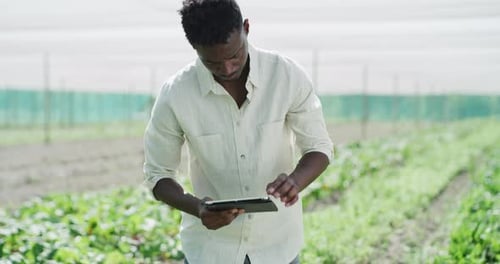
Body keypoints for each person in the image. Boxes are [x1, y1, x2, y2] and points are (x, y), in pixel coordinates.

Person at [143, 0, 333, 263]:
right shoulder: (176, 94)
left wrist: (295, 181)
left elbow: (319, 147)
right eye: (212, 63)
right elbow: (158, 175)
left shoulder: (286, 76)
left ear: (246, 28)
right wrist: (198, 208)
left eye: (235, 55)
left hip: (278, 248)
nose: (227, 69)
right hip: (209, 251)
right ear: (194, 48)